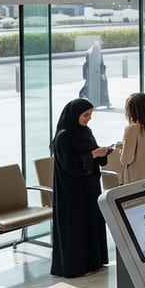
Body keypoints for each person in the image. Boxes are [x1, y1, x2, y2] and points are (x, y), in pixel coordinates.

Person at [50, 98, 112, 278]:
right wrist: (93, 154)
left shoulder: (86, 132)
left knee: (91, 222)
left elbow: (91, 154)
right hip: (72, 191)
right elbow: (69, 163)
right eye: (85, 115)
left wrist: (103, 152)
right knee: (77, 227)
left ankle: (94, 261)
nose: (88, 119)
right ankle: (77, 266)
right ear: (75, 115)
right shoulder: (63, 136)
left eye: (90, 115)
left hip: (90, 187)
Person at [80, 40, 111, 108]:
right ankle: (104, 103)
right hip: (97, 73)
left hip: (91, 73)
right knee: (102, 88)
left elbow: (87, 63)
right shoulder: (97, 51)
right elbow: (101, 63)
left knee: (92, 88)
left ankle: (95, 103)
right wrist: (103, 73)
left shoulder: (89, 51)